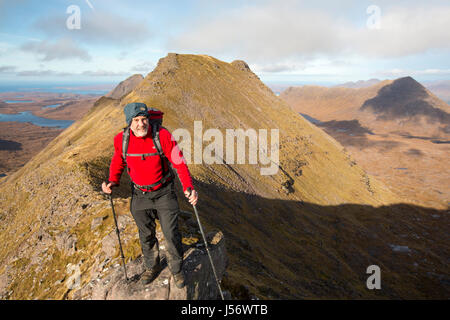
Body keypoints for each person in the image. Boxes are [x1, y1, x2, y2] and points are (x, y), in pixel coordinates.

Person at [102, 102, 198, 289]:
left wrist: (188, 187)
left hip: (164, 192)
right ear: (129, 122)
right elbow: (118, 161)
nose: (141, 124)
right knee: (146, 234)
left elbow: (179, 163)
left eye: (144, 119)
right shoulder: (121, 140)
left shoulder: (162, 135)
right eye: (136, 120)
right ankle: (151, 267)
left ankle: (177, 270)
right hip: (140, 194)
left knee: (171, 234)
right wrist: (112, 181)